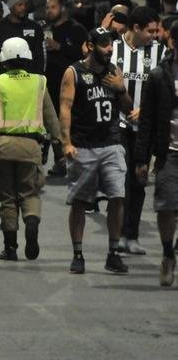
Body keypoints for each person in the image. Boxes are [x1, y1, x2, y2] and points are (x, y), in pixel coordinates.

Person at [0, 37, 61, 261]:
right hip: (31, 148)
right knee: (30, 192)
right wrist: (59, 143)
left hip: (3, 147)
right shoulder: (39, 82)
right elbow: (51, 117)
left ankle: (10, 247)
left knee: (8, 198)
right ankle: (31, 221)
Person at [60, 27, 132, 275]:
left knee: (117, 197)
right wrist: (66, 143)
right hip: (84, 146)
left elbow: (128, 108)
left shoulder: (113, 72)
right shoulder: (74, 72)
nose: (110, 49)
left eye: (111, 44)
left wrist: (121, 88)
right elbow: (65, 109)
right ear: (90, 46)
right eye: (104, 45)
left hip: (111, 144)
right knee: (80, 202)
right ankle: (78, 254)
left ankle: (113, 253)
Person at [111, 6, 164, 253]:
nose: (154, 35)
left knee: (139, 180)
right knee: (120, 179)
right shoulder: (114, 49)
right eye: (150, 31)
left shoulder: (160, 52)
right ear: (135, 29)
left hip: (145, 128)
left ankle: (132, 236)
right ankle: (119, 235)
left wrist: (144, 109)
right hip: (118, 123)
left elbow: (164, 87)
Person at [135, 21, 178, 286]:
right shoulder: (159, 76)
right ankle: (166, 254)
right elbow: (147, 120)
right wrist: (142, 158)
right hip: (168, 151)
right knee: (166, 206)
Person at [43, 0, 87, 174]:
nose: (49, 11)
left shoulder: (76, 29)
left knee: (73, 122)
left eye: (52, 7)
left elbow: (84, 54)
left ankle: (78, 160)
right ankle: (59, 160)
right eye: (47, 8)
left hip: (72, 85)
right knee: (54, 125)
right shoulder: (46, 29)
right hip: (51, 85)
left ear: (62, 8)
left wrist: (59, 47)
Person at [0, 0, 45, 89]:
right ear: (10, 6)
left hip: (29, 84)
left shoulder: (35, 28)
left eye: (25, 4)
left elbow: (39, 57)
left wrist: (38, 79)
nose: (23, 8)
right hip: (4, 84)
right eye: (19, 5)